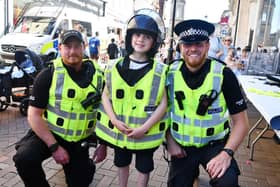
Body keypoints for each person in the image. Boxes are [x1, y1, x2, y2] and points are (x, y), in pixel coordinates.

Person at [13, 30, 107, 187]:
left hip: (79, 139)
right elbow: (34, 116)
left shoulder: (99, 76)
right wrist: (54, 147)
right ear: (60, 48)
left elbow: (106, 113)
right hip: (51, 134)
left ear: (84, 47)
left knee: (81, 180)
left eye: (77, 46)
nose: (72, 51)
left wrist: (103, 144)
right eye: (67, 46)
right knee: (24, 158)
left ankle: (85, 167)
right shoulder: (48, 75)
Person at [166, 19, 249, 187]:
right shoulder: (169, 73)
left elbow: (242, 123)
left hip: (215, 146)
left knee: (228, 184)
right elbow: (162, 112)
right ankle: (192, 175)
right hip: (181, 146)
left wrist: (227, 153)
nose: (193, 49)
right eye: (187, 44)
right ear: (180, 47)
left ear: (207, 45)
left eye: (198, 44)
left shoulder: (224, 75)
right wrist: (170, 140)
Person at [95, 9, 168, 187]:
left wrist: (145, 128)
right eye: (137, 34)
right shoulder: (113, 66)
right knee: (121, 163)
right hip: (121, 131)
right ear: (129, 37)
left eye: (147, 37)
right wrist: (114, 121)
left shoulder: (160, 70)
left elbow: (164, 104)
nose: (141, 39)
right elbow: (106, 95)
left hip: (146, 133)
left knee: (144, 167)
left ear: (154, 42)